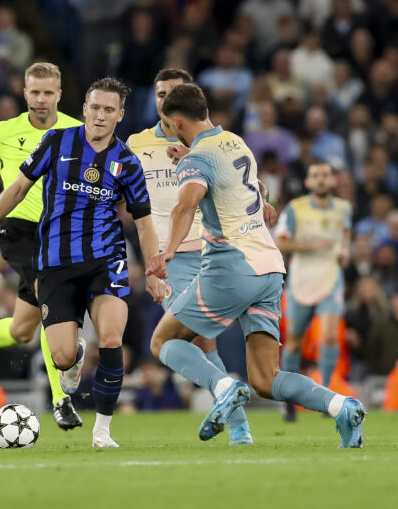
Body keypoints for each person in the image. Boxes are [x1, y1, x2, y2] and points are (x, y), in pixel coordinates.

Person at [146, 83, 365, 447]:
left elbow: (186, 205)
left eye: (170, 123)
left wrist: (167, 250)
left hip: (232, 266)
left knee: (163, 340)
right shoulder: (233, 142)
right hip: (269, 268)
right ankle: (342, 405)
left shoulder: (196, 160)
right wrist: (188, 154)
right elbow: (249, 188)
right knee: (266, 378)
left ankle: (223, 384)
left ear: (178, 120)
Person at [0, 77, 163, 448]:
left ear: (120, 115)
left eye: (108, 110)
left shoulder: (127, 163)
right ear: (84, 109)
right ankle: (70, 362)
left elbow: (145, 223)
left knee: (112, 337)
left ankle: (102, 431)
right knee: (63, 354)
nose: (100, 116)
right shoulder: (57, 142)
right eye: (94, 108)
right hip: (55, 262)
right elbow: (17, 189)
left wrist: (152, 269)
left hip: (105, 260)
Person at [0, 62, 84, 431]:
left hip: (62, 233)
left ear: (59, 94)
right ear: (24, 93)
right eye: (34, 92)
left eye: (48, 93)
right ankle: (60, 399)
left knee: (23, 330)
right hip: (19, 229)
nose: (41, 99)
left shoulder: (77, 131)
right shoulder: (4, 133)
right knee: (52, 299)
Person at [127, 68, 252, 445]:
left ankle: (237, 417)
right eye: (159, 92)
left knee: (189, 341)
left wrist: (260, 192)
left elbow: (238, 178)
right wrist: (150, 262)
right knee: (201, 340)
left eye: (173, 93)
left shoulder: (206, 143)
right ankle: (240, 427)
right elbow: (130, 205)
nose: (164, 99)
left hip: (216, 250)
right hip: (174, 259)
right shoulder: (137, 144)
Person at [274, 162, 352, 422]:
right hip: (302, 279)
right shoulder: (296, 209)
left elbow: (345, 238)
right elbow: (280, 241)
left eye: (326, 175)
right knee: (295, 340)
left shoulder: (344, 208)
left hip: (330, 277)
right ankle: (288, 401)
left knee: (330, 336)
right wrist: (312, 244)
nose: (321, 180)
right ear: (307, 182)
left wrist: (344, 253)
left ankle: (327, 395)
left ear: (333, 181)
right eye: (315, 175)